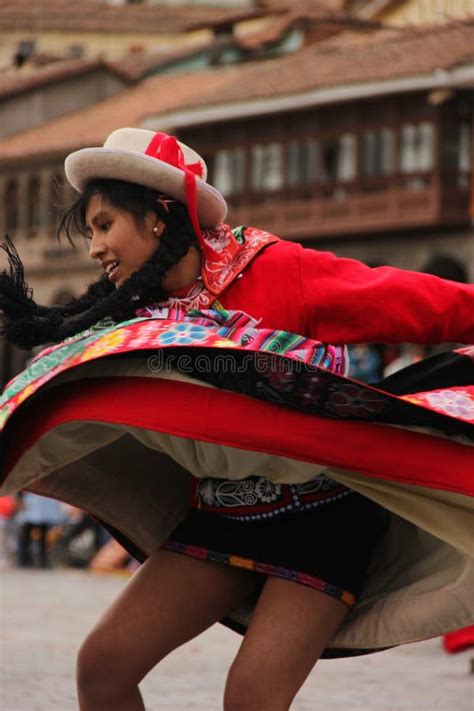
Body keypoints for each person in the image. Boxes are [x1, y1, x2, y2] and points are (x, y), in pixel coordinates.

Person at [0, 128, 473, 711]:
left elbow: (417, 302)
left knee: (251, 698)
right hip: (220, 514)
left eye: (104, 226)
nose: (94, 248)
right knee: (102, 669)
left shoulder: (277, 269)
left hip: (320, 520)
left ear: (158, 217)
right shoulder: (130, 316)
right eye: (91, 231)